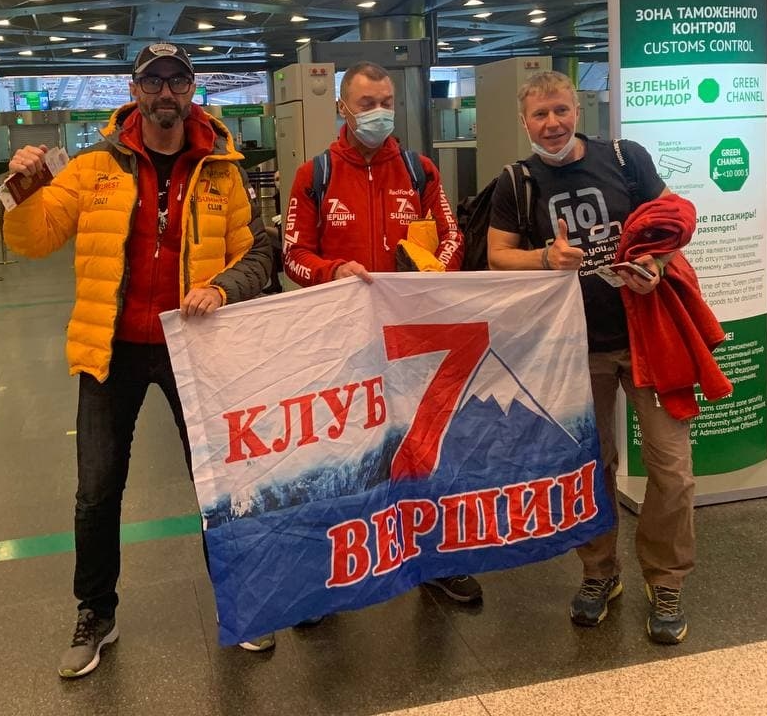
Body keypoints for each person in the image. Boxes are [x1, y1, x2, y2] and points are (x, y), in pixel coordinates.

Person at [3, 42, 274, 675]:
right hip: (111, 349)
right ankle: (96, 612)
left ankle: (240, 601)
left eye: (177, 81)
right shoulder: (93, 167)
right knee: (97, 491)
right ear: (134, 91)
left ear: (192, 90)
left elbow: (257, 254)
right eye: (153, 82)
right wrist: (23, 186)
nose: (165, 93)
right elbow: (35, 239)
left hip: (196, 347)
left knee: (218, 485)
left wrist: (222, 287)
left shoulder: (222, 169)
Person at [485, 70, 695, 646]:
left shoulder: (626, 159)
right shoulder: (516, 182)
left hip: (647, 338)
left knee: (672, 469)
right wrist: (546, 259)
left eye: (561, 110)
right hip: (572, 347)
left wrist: (654, 266)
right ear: (524, 122)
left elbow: (670, 225)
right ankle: (600, 572)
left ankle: (666, 579)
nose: (552, 123)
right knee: (590, 465)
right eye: (539, 115)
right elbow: (498, 255)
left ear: (577, 111)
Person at [282, 60, 481, 605]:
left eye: (386, 102)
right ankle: (326, 570)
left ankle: (433, 557)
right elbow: (293, 255)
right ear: (342, 107)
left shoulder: (419, 171)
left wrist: (434, 270)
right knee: (336, 456)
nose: (378, 113)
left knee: (421, 448)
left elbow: (452, 236)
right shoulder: (315, 175)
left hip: (411, 338)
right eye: (367, 103)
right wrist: (333, 272)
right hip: (339, 341)